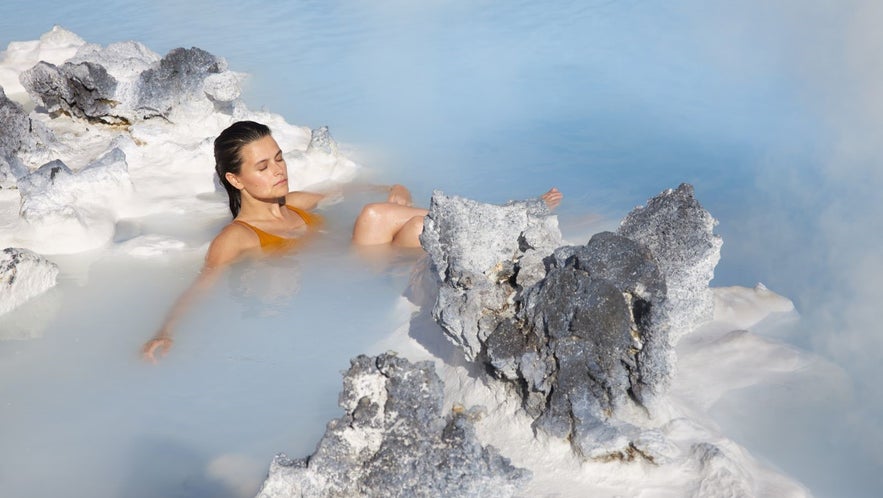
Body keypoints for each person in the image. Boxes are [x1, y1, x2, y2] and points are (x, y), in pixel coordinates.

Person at [141, 120, 562, 362]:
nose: (279, 171)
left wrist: (393, 185)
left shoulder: (296, 202)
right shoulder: (237, 237)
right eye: (264, 166)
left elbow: (355, 187)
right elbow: (203, 286)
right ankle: (507, 218)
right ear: (235, 179)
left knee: (413, 228)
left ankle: (500, 226)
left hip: (367, 266)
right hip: (342, 285)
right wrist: (166, 331)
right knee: (376, 215)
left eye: (280, 158)